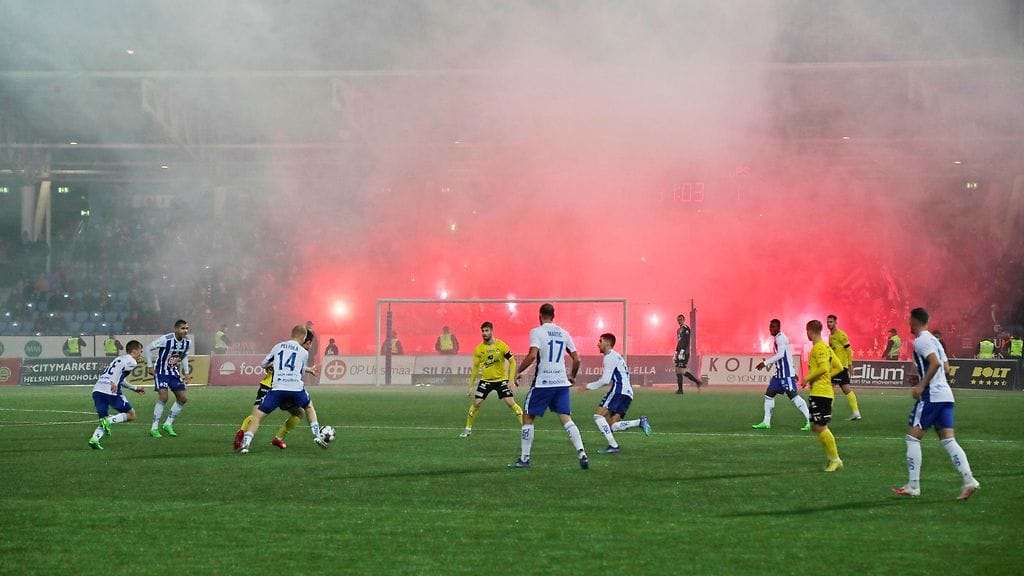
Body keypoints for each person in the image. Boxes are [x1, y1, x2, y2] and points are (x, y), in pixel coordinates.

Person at [893, 308, 980, 500]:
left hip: (931, 396)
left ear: (914, 321)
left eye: (909, 320)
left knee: (912, 437)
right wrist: (923, 376)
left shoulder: (921, 340)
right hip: (945, 395)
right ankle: (969, 480)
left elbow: (936, 364)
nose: (908, 323)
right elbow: (946, 367)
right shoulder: (935, 340)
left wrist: (922, 385)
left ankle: (913, 485)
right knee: (949, 440)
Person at [509, 303, 588, 469]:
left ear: (540, 316)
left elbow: (532, 355)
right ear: (554, 316)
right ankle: (582, 453)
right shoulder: (564, 333)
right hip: (561, 383)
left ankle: (524, 459)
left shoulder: (537, 332)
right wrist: (572, 376)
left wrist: (518, 371)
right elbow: (577, 359)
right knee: (566, 418)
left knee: (528, 417)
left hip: (543, 383)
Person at [238, 325, 325, 454]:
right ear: (303, 337)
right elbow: (300, 373)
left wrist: (270, 366)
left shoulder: (278, 346)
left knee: (257, 416)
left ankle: (246, 444)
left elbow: (263, 364)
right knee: (308, 407)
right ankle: (317, 435)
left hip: (277, 389)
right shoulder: (304, 352)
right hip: (296, 389)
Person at [586, 332, 651, 454]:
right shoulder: (617, 356)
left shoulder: (609, 356)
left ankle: (614, 446)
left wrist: (587, 387)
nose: (598, 344)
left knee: (598, 416)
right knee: (611, 425)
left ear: (607, 343)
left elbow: (605, 380)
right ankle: (639, 422)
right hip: (628, 393)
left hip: (619, 390)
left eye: (600, 341)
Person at [460, 321, 522, 437]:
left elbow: (512, 362)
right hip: (486, 380)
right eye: (483, 331)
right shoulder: (479, 349)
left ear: (491, 331)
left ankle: (526, 429)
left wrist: (510, 380)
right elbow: (475, 368)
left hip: (501, 380)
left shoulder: (501, 345)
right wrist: (470, 386)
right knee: (477, 403)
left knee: (510, 402)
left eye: (486, 330)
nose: (484, 333)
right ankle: (467, 429)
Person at [752, 319, 812, 431]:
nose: (771, 329)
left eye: (774, 327)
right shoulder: (777, 338)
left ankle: (809, 420)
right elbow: (788, 355)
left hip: (785, 375)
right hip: (779, 374)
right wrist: (793, 370)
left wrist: (765, 363)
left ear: (778, 327)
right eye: (770, 327)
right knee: (769, 394)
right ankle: (766, 422)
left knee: (793, 396)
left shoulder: (781, 338)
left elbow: (781, 355)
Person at [801, 320, 845, 472]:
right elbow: (839, 367)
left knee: (820, 426)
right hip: (821, 392)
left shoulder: (819, 348)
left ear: (809, 332)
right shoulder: (826, 347)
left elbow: (824, 368)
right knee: (816, 426)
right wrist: (827, 378)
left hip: (821, 393)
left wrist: (807, 378)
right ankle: (832, 458)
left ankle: (835, 460)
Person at [88, 340, 146, 450]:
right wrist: (114, 382)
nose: (141, 354)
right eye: (140, 351)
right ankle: (109, 421)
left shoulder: (119, 358)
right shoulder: (132, 361)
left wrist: (134, 388)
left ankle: (94, 439)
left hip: (97, 390)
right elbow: (118, 371)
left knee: (103, 419)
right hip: (110, 391)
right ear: (134, 351)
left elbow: (120, 378)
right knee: (131, 414)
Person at [146, 319, 192, 438]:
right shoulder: (166, 339)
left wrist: (186, 372)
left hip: (173, 372)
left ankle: (168, 424)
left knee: (182, 398)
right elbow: (148, 348)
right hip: (161, 371)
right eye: (182, 328)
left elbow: (184, 356)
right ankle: (154, 428)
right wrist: (150, 367)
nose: (185, 331)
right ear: (176, 329)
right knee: (163, 397)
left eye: (187, 328)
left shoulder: (187, 342)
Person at [827, 315, 862, 420]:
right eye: (828, 322)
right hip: (836, 366)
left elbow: (848, 350)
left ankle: (827, 412)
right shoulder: (830, 336)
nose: (829, 324)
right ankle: (856, 412)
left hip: (840, 366)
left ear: (836, 323)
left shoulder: (841, 335)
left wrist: (850, 364)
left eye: (831, 322)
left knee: (829, 386)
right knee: (846, 389)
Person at [674, 314, 702, 394]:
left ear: (684, 320)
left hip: (684, 353)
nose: (679, 321)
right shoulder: (678, 330)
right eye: (678, 320)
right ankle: (682, 389)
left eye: (681, 319)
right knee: (678, 370)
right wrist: (676, 352)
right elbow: (679, 342)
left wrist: (682, 351)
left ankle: (682, 389)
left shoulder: (686, 329)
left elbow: (686, 341)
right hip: (679, 352)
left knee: (680, 370)